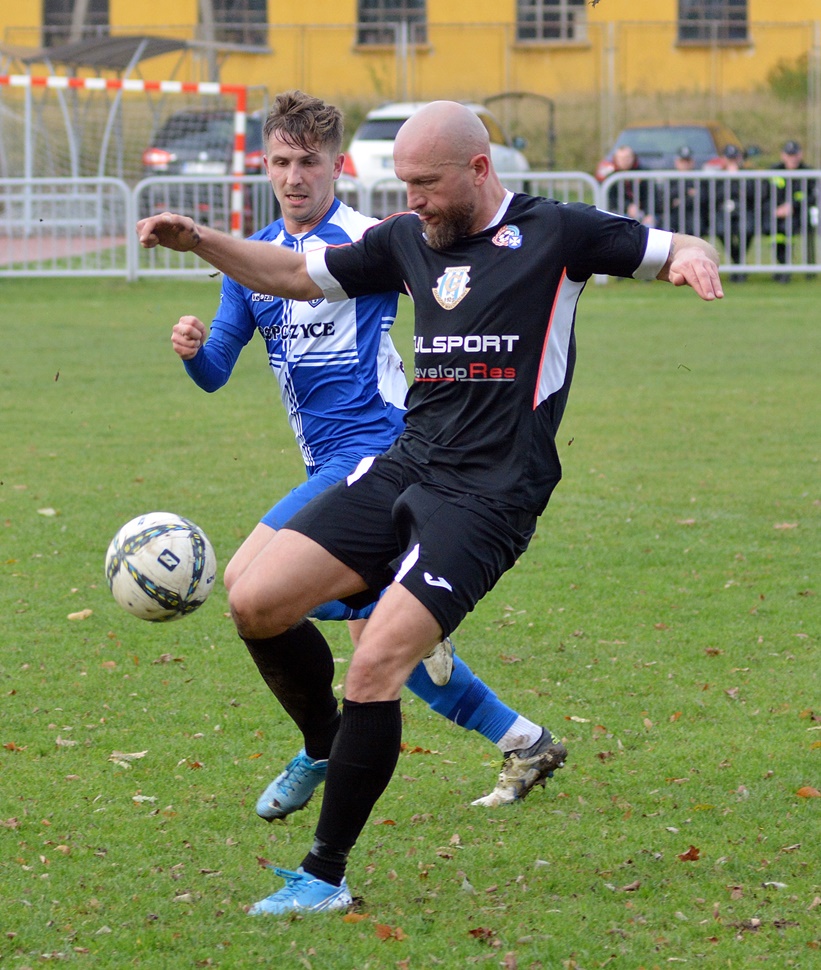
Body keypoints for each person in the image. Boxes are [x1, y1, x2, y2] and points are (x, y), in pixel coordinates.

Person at [138, 100, 723, 916]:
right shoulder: (406, 241)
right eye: (401, 183)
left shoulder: (557, 233)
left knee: (378, 659)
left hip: (491, 495)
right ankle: (327, 747)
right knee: (255, 601)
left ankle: (324, 875)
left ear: (478, 171)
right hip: (404, 461)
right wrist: (199, 241)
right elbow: (288, 274)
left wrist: (692, 260)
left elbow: (674, 245)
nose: (408, 198)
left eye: (424, 183)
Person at [171, 91, 565, 816]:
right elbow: (218, 368)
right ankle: (523, 740)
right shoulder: (253, 259)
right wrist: (194, 350)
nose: (295, 178)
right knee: (379, 646)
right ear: (266, 165)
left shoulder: (373, 238)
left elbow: (448, 279)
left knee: (250, 584)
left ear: (337, 165)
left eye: (309, 163)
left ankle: (324, 742)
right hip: (324, 458)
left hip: (382, 443)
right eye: (282, 162)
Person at [768, 139, 818, 282]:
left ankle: (785, 269)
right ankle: (784, 266)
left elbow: (813, 196)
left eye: (795, 154)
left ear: (800, 155)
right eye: (789, 155)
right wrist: (775, 209)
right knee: (774, 230)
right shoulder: (774, 170)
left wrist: (792, 207)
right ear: (783, 155)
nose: (792, 158)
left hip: (800, 214)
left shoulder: (808, 172)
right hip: (776, 214)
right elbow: (765, 195)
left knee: (788, 228)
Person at [716, 144, 756, 281]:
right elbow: (716, 195)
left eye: (735, 158)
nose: (732, 161)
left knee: (748, 229)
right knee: (721, 230)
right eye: (730, 158)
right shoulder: (718, 176)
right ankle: (739, 262)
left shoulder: (748, 174)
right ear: (724, 159)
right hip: (723, 212)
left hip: (744, 211)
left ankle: (737, 264)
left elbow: (752, 194)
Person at [605, 144, 654, 225]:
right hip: (620, 214)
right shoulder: (611, 178)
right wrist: (627, 207)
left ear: (633, 157)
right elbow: (610, 199)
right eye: (621, 158)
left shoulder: (644, 174)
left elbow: (652, 195)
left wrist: (648, 213)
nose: (624, 161)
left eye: (627, 157)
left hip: (644, 214)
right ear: (616, 159)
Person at [667, 145, 704, 237]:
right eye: (682, 161)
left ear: (692, 162)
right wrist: (688, 192)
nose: (685, 164)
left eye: (688, 161)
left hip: (693, 214)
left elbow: (702, 198)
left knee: (695, 226)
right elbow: (666, 198)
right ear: (676, 162)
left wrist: (681, 201)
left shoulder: (699, 178)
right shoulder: (670, 177)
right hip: (673, 214)